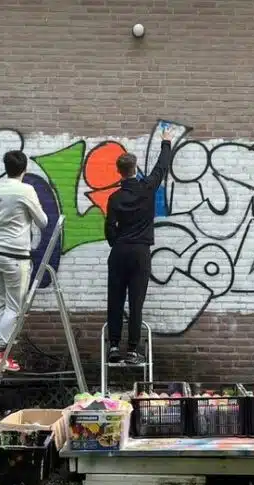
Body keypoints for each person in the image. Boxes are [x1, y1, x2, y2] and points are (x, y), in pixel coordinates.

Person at [104, 126, 175, 364]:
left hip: (119, 251)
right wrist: (166, 141)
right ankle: (133, 350)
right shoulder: (147, 188)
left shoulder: (114, 198)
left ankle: (114, 347)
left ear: (119, 172)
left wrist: (117, 242)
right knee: (136, 302)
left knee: (115, 300)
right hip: (140, 252)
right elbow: (161, 167)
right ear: (134, 169)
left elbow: (109, 228)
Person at [0, 150, 48, 371]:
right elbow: (43, 221)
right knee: (14, 307)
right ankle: (0, 353)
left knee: (5, 304)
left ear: (6, 168)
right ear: (24, 169)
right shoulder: (25, 190)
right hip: (15, 256)